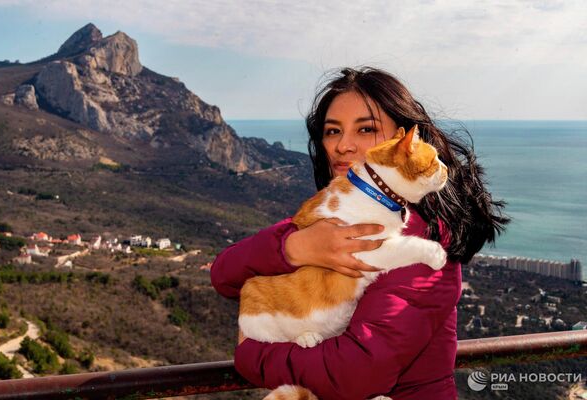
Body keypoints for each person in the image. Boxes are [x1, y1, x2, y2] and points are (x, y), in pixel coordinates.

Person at [210, 67, 508, 400]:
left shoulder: (424, 248)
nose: (343, 145)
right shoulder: (332, 217)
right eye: (332, 131)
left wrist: (251, 355)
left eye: (366, 129)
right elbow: (223, 274)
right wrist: (293, 247)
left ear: (404, 139)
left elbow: (353, 376)